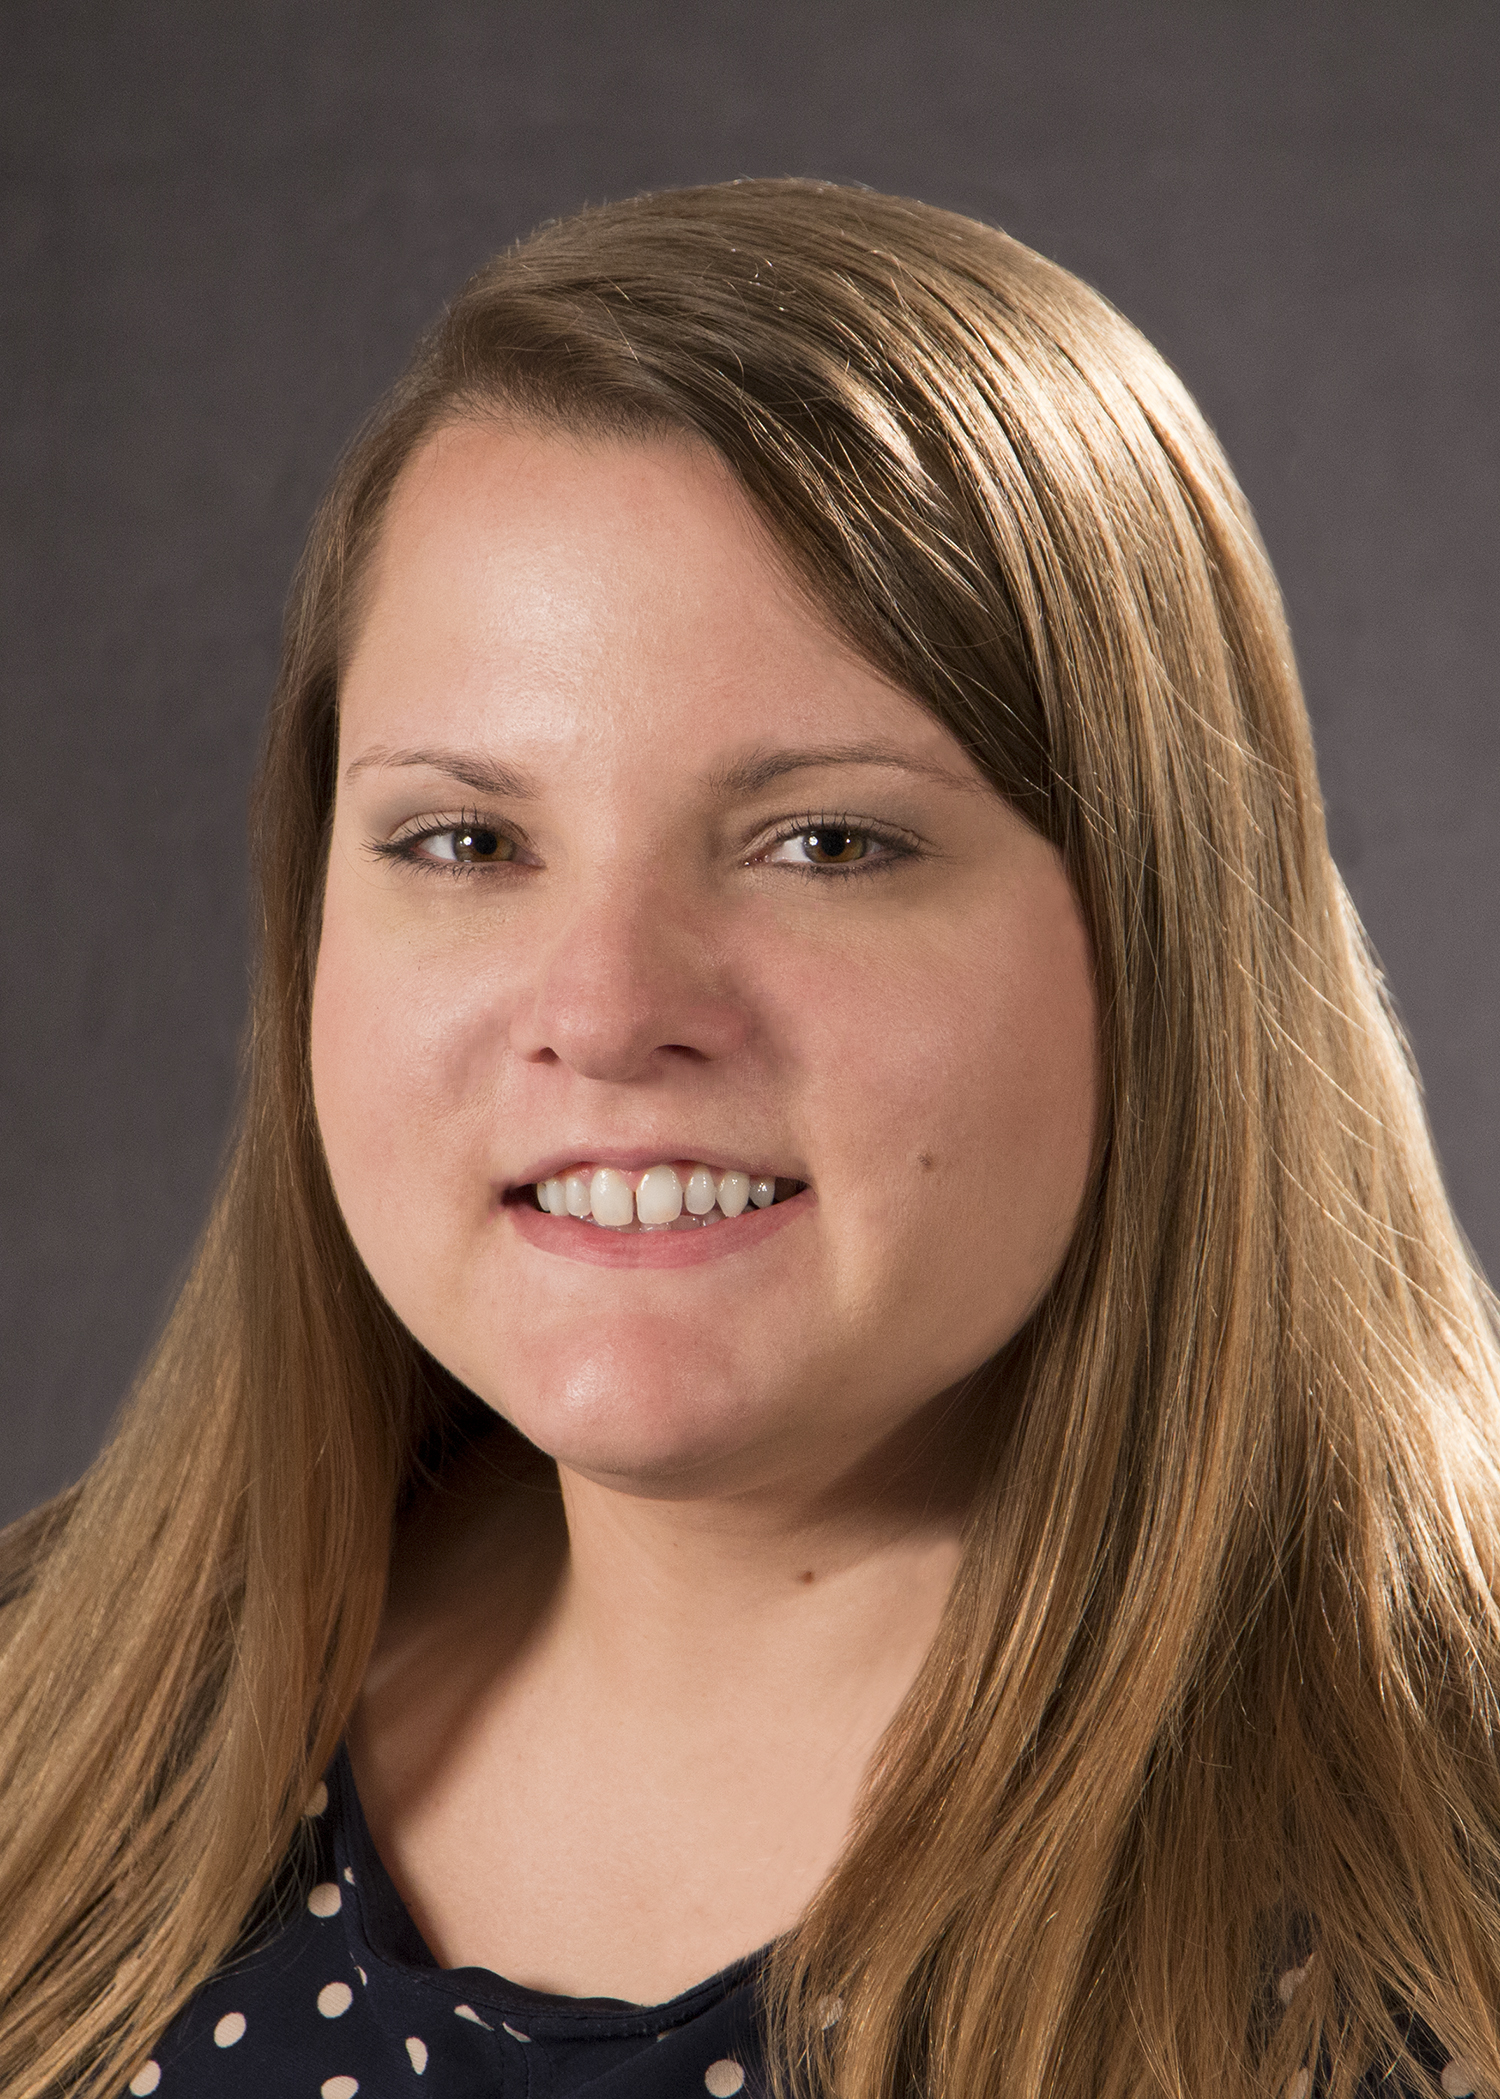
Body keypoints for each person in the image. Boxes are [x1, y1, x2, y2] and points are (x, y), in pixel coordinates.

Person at [2, 178, 1497, 2099]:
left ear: (1165, 941)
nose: (610, 1010)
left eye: (827, 844)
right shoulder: (51, 1743)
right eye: (468, 841)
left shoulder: (1434, 1923)